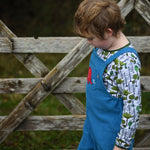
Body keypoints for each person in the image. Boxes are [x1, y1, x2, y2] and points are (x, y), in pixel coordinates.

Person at [74, 0, 142, 149]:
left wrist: (121, 145)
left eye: (91, 38)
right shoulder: (102, 48)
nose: (88, 42)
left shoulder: (126, 63)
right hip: (92, 127)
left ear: (108, 32)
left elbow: (132, 107)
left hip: (110, 139)